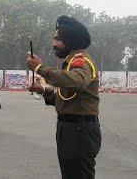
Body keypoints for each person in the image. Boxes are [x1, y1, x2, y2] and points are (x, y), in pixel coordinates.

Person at [27, 15, 101, 179]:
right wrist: (43, 91)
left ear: (71, 40)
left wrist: (40, 67)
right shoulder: (70, 63)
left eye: (58, 39)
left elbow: (77, 81)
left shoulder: (82, 61)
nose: (53, 44)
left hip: (79, 131)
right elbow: (66, 99)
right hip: (70, 130)